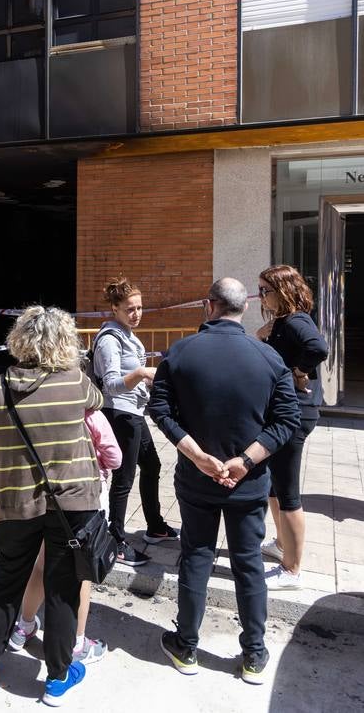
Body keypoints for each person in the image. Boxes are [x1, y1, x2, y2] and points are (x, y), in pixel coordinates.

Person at [147, 278, 300, 685]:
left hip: (198, 480)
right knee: (248, 563)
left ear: (208, 306)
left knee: (196, 556)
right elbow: (288, 420)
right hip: (248, 483)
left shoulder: (180, 351)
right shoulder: (268, 357)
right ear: (243, 309)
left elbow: (158, 407)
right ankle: (253, 655)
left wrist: (196, 455)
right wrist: (247, 460)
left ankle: (187, 645)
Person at [0, 306, 103, 706]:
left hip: (13, 501)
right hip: (72, 503)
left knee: (7, 582)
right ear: (66, 342)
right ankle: (58, 679)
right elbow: (96, 403)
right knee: (63, 588)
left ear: (19, 339)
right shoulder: (76, 381)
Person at [8, 407, 122, 663]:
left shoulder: (42, 408)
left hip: (45, 496)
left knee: (42, 564)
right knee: (82, 572)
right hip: (85, 498)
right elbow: (115, 459)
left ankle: (23, 627)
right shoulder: (92, 416)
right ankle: (77, 643)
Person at [93, 277, 178, 566]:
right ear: (115, 308)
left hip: (134, 412)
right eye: (130, 309)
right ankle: (115, 540)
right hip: (118, 412)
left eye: (140, 308)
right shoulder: (109, 339)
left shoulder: (129, 335)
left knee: (152, 465)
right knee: (123, 478)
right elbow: (112, 384)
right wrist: (142, 373)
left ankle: (155, 526)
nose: (136, 314)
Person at [256, 264, 328, 590]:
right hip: (283, 412)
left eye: (265, 290)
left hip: (295, 415)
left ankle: (292, 570)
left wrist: (299, 371)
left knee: (287, 491)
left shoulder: (297, 320)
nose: (261, 296)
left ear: (282, 291)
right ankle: (282, 545)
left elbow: (318, 348)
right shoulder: (283, 322)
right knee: (274, 483)